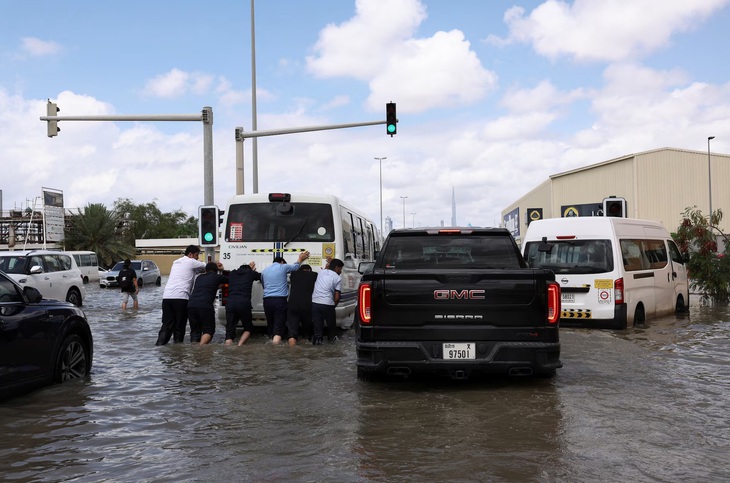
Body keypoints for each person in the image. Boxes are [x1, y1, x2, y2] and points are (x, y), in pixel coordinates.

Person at [156, 245, 222, 345]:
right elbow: (209, 267)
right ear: (190, 254)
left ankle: (159, 347)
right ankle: (178, 351)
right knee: (179, 327)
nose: (197, 258)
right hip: (181, 298)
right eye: (196, 255)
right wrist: (219, 265)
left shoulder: (176, 262)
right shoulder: (191, 261)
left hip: (167, 298)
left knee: (166, 325)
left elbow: (198, 271)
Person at [260, 250, 309, 344]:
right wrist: (300, 258)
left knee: (271, 324)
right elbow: (295, 267)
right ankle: (275, 350)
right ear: (282, 262)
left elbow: (264, 285)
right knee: (278, 327)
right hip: (279, 300)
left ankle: (271, 340)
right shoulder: (283, 267)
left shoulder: (264, 271)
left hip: (267, 301)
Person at [188, 262, 228, 345]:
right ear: (216, 271)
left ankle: (194, 352)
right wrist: (222, 270)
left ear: (205, 270)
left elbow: (206, 287)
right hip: (205, 306)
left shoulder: (199, 277)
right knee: (209, 330)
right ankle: (200, 349)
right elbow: (231, 279)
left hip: (191, 305)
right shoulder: (217, 277)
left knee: (195, 331)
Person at [224, 261, 260, 346]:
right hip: (243, 303)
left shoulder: (232, 273)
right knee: (248, 328)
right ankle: (240, 345)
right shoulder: (250, 273)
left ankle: (228, 346)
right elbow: (260, 277)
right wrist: (252, 271)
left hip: (230, 303)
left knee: (230, 330)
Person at [311, 258, 344, 345]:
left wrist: (330, 262)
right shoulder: (338, 278)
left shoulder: (321, 272)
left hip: (315, 303)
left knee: (317, 330)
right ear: (336, 267)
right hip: (328, 304)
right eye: (340, 268)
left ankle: (318, 343)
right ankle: (331, 344)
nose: (341, 271)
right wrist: (333, 306)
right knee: (331, 329)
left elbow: (327, 268)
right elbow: (337, 297)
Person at [286, 264, 318, 346]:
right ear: (309, 270)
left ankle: (292, 350)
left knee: (292, 332)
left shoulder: (293, 274)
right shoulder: (314, 275)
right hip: (307, 306)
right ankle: (305, 343)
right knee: (307, 332)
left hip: (293, 305)